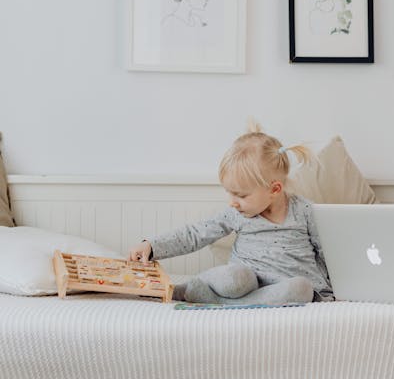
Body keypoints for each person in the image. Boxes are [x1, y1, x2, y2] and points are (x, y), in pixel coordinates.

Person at [128, 121, 332, 305]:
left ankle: (213, 300)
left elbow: (328, 252)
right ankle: (196, 289)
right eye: (229, 193)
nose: (232, 202)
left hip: (282, 290)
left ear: (274, 189)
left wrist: (330, 289)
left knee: (302, 288)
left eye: (241, 195)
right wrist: (153, 246)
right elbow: (195, 234)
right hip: (244, 284)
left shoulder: (305, 211)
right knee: (236, 277)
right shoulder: (237, 214)